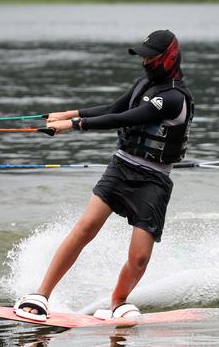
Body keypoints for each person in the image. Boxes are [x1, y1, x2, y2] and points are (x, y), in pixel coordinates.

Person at [13, 30, 194, 321]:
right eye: (143, 57)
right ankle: (40, 295)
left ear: (168, 58)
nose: (145, 62)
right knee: (85, 228)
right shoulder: (142, 84)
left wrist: (73, 125)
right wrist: (64, 114)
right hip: (121, 167)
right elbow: (112, 108)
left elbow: (124, 119)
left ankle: (118, 302)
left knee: (139, 257)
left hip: (153, 180)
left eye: (150, 57)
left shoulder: (173, 97)